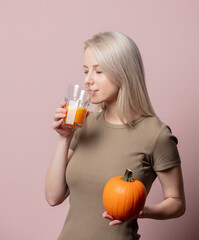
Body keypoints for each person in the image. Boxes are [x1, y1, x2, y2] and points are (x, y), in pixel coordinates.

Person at [45, 31, 186, 240]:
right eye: (86, 71)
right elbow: (53, 197)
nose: (88, 81)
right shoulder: (84, 124)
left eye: (99, 71)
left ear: (124, 73)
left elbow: (177, 202)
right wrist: (64, 137)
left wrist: (142, 211)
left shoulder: (156, 134)